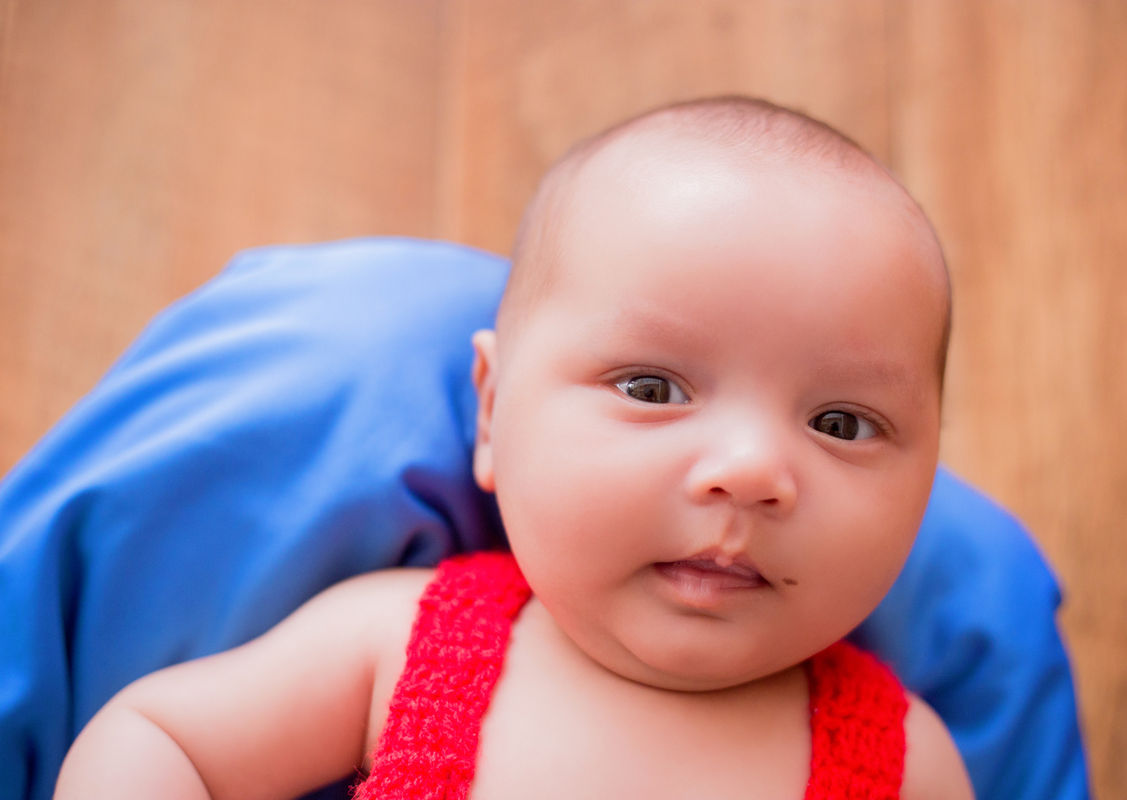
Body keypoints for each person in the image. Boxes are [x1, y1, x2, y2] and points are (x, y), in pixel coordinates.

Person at [54, 96, 982, 799]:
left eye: (840, 424)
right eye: (652, 389)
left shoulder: (910, 763)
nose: (749, 472)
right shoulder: (403, 644)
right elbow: (161, 738)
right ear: (493, 415)